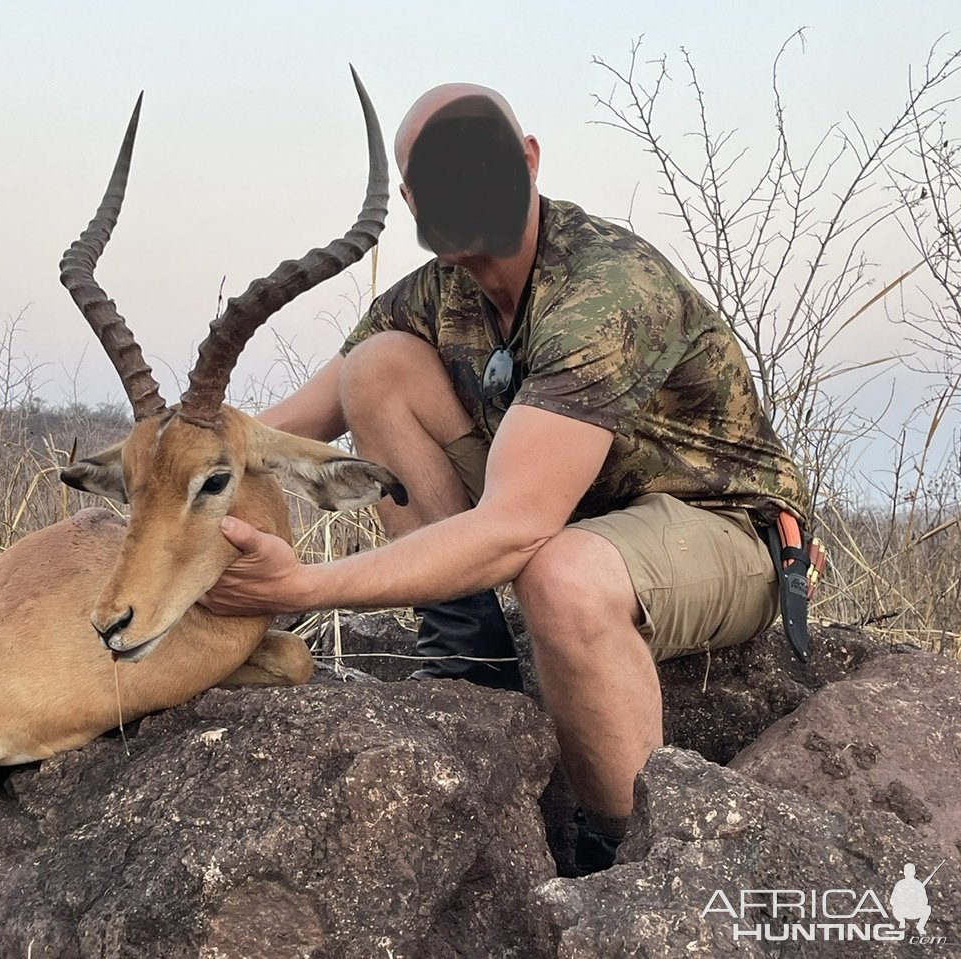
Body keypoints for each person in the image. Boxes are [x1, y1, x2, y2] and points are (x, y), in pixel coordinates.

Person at [199, 82, 809, 874]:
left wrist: (301, 588)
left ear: (528, 158)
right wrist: (164, 463)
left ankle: (627, 861)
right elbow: (276, 435)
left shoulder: (605, 289)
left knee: (561, 577)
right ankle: (471, 664)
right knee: (375, 369)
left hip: (724, 524)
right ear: (416, 200)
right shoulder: (438, 290)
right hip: (579, 512)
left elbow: (519, 526)